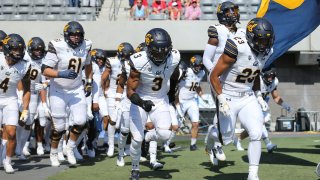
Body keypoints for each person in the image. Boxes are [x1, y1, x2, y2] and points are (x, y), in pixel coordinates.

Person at [210, 17, 275, 180]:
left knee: (256, 133)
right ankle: (212, 140)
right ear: (251, 38)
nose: (264, 45)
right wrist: (221, 98)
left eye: (267, 41)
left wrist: (259, 96)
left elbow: (255, 73)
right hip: (229, 95)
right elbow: (214, 75)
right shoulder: (237, 46)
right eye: (260, 41)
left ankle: (253, 175)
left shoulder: (268, 51)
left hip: (247, 96)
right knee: (225, 138)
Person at [127, 28, 180, 180]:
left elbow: (175, 74)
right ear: (148, 48)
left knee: (165, 134)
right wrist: (142, 103)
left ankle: (147, 136)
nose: (161, 54)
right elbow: (130, 91)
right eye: (157, 51)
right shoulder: (139, 61)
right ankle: (135, 168)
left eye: (164, 50)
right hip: (141, 99)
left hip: (161, 99)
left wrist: (172, 91)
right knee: (136, 140)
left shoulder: (174, 57)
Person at [42, 21, 93, 167]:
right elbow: (45, 70)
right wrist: (60, 73)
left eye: (78, 35)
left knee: (81, 121)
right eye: (72, 35)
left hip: (76, 89)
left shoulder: (87, 45)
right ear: (66, 35)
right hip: (58, 89)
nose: (76, 38)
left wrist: (88, 81)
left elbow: (88, 64)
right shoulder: (57, 45)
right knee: (59, 127)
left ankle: (69, 148)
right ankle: (53, 152)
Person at [203, 1, 245, 165]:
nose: (233, 13)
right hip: (218, 76)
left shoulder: (242, 32)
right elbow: (206, 58)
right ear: (221, 14)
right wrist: (215, 73)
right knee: (224, 110)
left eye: (234, 10)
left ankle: (211, 141)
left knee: (228, 113)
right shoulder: (217, 31)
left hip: (234, 79)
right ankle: (217, 144)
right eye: (228, 11)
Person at [237, 67, 292, 153]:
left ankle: (238, 140)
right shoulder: (257, 79)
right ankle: (268, 144)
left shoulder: (274, 82)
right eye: (269, 76)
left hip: (262, 105)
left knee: (254, 127)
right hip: (250, 103)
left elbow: (276, 97)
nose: (271, 78)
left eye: (273, 76)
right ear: (264, 75)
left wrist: (285, 105)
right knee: (259, 122)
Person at [0, 34, 31, 173]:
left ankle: (7, 161)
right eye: (14, 49)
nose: (18, 52)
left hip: (10, 99)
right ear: (6, 49)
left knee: (12, 133)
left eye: (20, 49)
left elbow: (27, 89)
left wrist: (25, 109)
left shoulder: (25, 66)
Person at [15, 37, 50, 159]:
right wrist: (20, 93)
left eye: (40, 50)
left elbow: (45, 80)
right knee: (21, 121)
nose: (38, 52)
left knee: (29, 123)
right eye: (36, 50)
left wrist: (45, 85)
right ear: (30, 49)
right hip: (23, 93)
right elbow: (18, 77)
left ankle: (21, 146)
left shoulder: (44, 61)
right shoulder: (24, 59)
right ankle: (18, 145)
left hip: (34, 94)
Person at [101, 42, 134, 158]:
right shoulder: (112, 61)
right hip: (112, 92)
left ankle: (126, 146)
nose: (126, 58)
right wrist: (104, 92)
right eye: (125, 55)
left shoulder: (132, 62)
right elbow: (104, 77)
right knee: (113, 120)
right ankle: (111, 145)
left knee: (126, 121)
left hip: (126, 93)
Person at [177, 55, 206, 151]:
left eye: (200, 66)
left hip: (191, 101)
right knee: (175, 125)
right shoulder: (186, 71)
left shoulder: (202, 73)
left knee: (195, 123)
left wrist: (202, 95)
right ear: (192, 64)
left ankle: (193, 145)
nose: (199, 68)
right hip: (181, 101)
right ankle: (166, 144)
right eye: (197, 65)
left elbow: (196, 85)